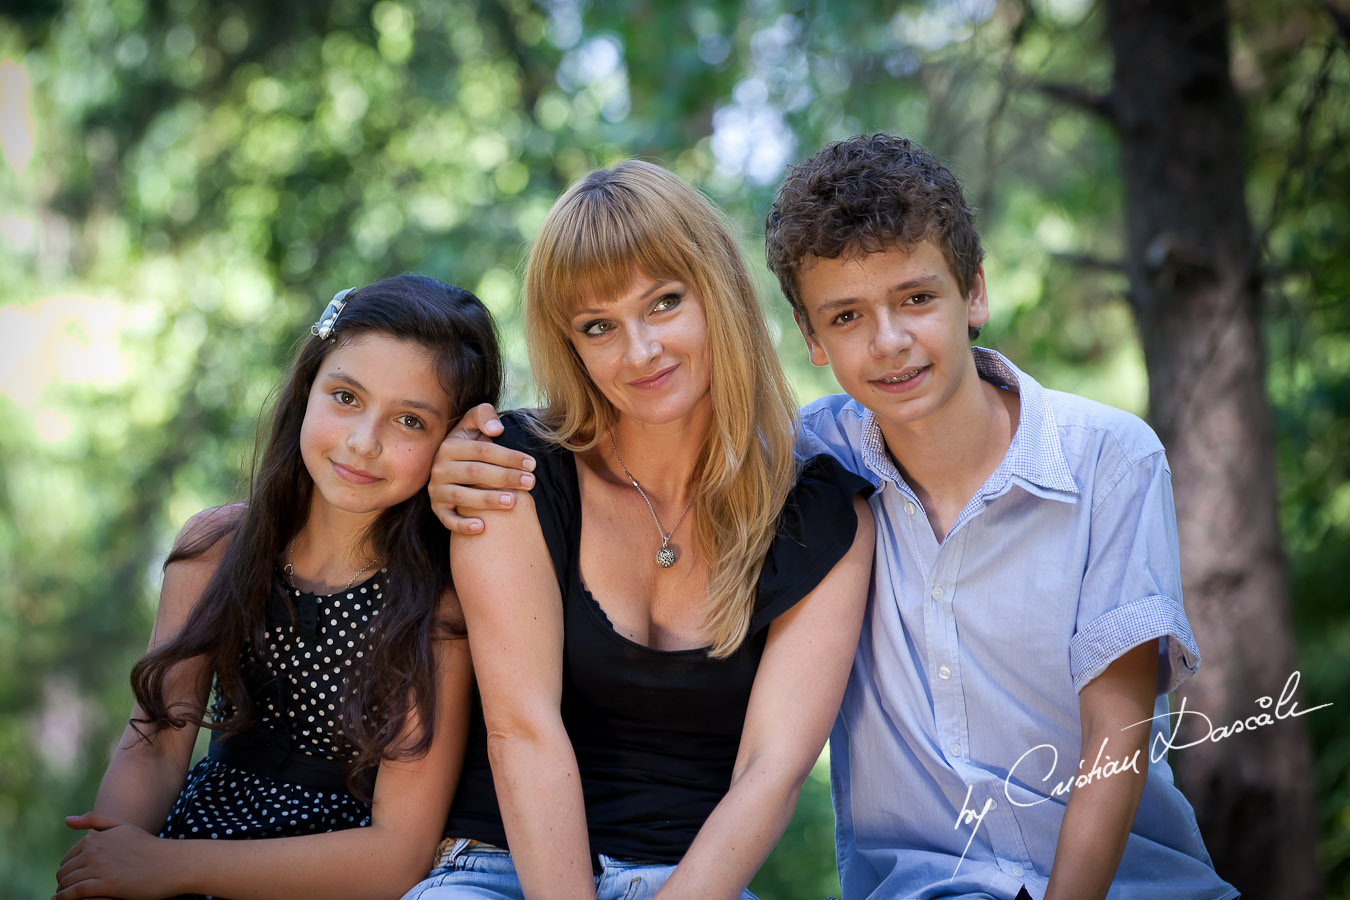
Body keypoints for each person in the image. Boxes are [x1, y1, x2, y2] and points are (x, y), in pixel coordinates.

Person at [432, 136, 1239, 900]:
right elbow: (524, 726)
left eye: (917, 298)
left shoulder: (1086, 460)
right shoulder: (529, 471)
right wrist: (445, 462)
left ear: (975, 291)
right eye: (846, 316)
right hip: (910, 883)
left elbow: (1118, 732)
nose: (889, 342)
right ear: (812, 335)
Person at [404, 160, 874, 900]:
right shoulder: (512, 472)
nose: (640, 351)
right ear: (574, 346)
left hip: (689, 883)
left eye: (663, 303)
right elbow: (522, 732)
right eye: (599, 326)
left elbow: (771, 772)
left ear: (715, 290)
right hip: (496, 870)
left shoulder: (820, 513)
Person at [54, 275, 504, 900]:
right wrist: (114, 859)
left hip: (328, 880)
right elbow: (155, 743)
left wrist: (169, 866)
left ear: (452, 439)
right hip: (182, 854)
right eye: (346, 397)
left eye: (409, 419)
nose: (362, 442)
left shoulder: (439, 602)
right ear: (307, 390)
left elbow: (396, 854)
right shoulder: (216, 550)